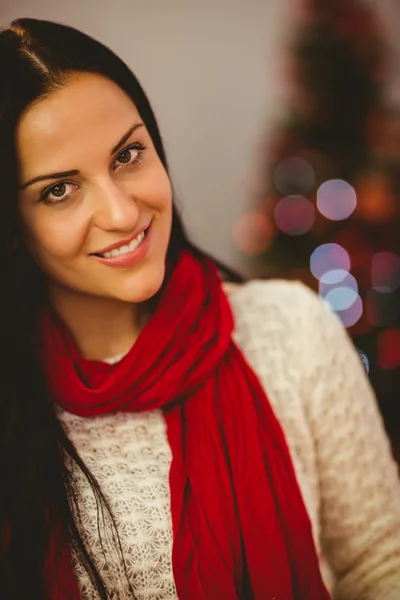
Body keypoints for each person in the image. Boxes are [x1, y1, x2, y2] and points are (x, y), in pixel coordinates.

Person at [0, 17, 399, 600]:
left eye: (128, 155)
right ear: (13, 228)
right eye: (59, 189)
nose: (120, 212)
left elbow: (379, 564)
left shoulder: (292, 331)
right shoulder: (15, 397)